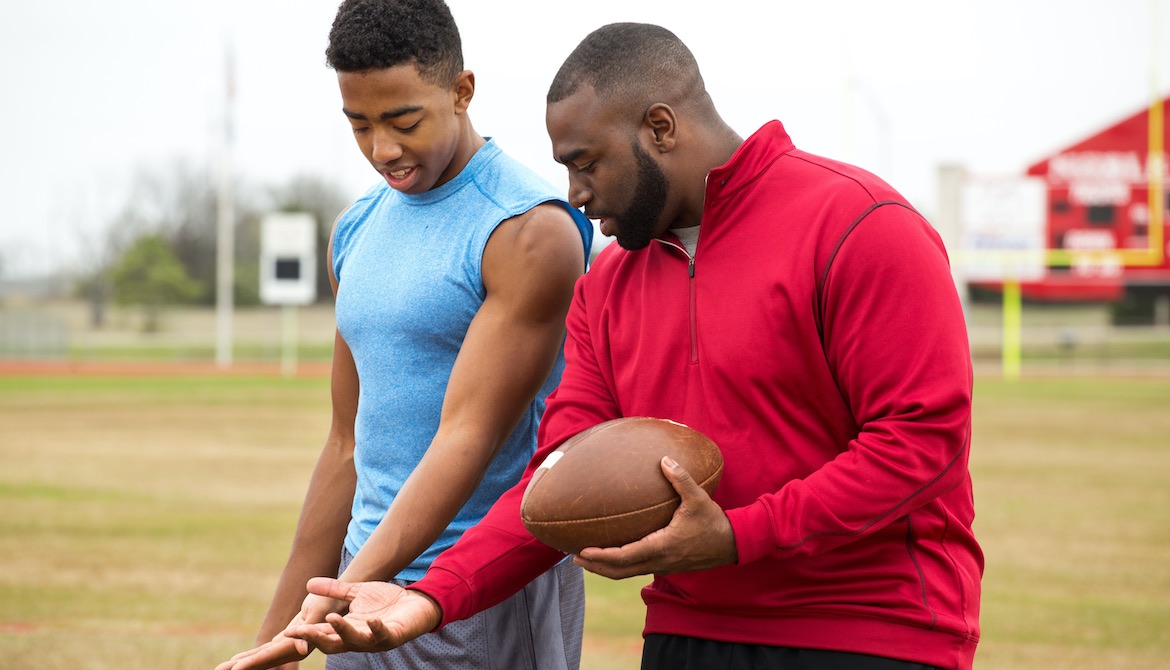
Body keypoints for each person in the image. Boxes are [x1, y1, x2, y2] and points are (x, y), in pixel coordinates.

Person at [287, 22, 984, 670]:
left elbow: (921, 442)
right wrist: (435, 596)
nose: (574, 194)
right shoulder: (607, 283)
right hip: (687, 632)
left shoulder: (863, 226)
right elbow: (551, 485)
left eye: (587, 164)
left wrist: (742, 535)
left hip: (872, 630)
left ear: (660, 127)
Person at [217, 1, 593, 669]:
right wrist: (287, 622)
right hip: (359, 593)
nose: (382, 149)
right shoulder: (355, 229)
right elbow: (344, 445)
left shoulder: (529, 232)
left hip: (478, 595)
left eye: (403, 121)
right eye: (359, 125)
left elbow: (468, 435)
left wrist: (345, 589)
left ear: (462, 89)